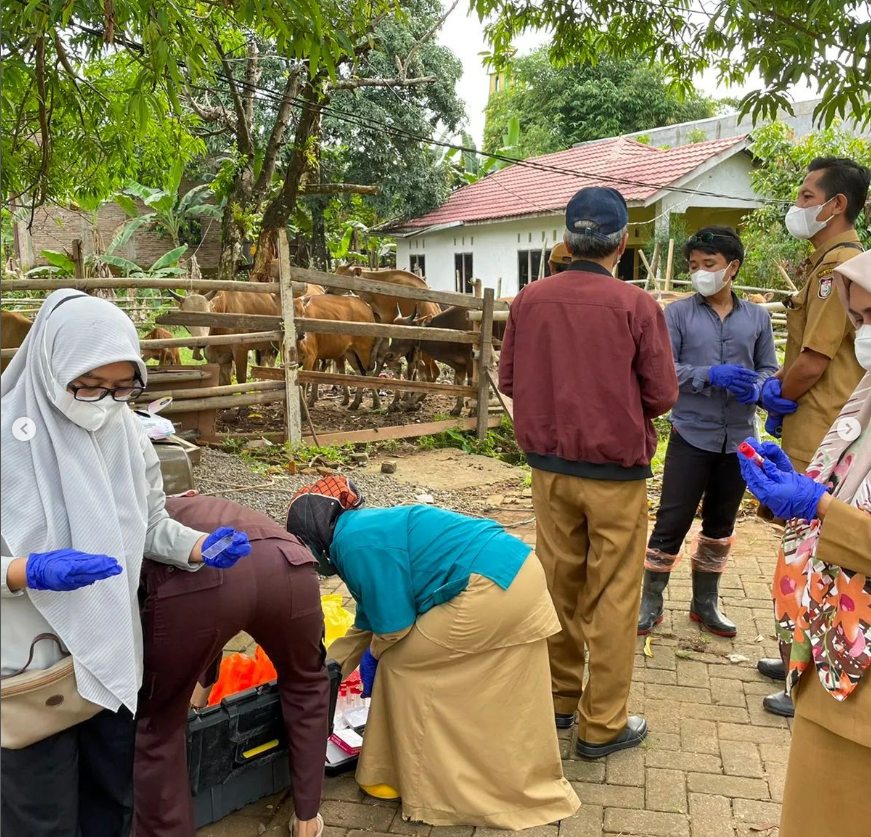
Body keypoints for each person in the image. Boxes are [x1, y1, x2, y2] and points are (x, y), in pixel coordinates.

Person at [1, 290, 250, 837]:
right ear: (51, 364)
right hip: (28, 668)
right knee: (39, 819)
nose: (104, 402)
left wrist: (195, 546)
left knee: (113, 803)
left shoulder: (126, 433)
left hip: (111, 654)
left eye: (121, 387)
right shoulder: (4, 438)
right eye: (89, 385)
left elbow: (150, 522)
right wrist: (25, 571)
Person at [285, 477, 580, 830]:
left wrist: (374, 658)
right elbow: (368, 620)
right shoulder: (363, 527)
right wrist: (323, 670)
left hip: (491, 588)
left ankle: (402, 778)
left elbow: (393, 628)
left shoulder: (351, 546)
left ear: (314, 538)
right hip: (518, 572)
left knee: (399, 665)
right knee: (412, 658)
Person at [499, 186, 678, 753]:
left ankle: (557, 700)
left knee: (557, 584)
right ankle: (602, 725)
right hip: (614, 475)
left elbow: (508, 381)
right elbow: (663, 394)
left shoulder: (529, 300)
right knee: (615, 593)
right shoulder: (637, 307)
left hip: (549, 473)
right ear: (622, 243)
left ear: (567, 239)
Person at [737, 248, 871, 837]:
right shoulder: (869, 390)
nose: (862, 334)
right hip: (834, 638)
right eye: (859, 319)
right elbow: (844, 469)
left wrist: (818, 507)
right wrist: (802, 484)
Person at [133, 494, 330, 837]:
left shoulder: (143, 518)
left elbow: (187, 634)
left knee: (158, 725)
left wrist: (183, 698)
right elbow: (212, 640)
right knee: (307, 682)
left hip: (204, 578)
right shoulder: (195, 503)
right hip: (290, 565)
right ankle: (308, 820)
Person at [757, 157, 869, 718]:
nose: (797, 205)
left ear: (836, 204)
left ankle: (803, 665)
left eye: (806, 195)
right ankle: (796, 647)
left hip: (826, 430)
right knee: (801, 551)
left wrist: (773, 392)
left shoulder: (841, 271)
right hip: (821, 426)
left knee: (808, 553)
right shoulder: (825, 265)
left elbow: (813, 359)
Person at [639, 227, 778, 637]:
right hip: (691, 433)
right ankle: (651, 601)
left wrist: (758, 386)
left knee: (720, 523)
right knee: (672, 520)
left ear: (732, 267)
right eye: (694, 266)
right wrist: (707, 374)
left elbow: (769, 367)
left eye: (709, 264)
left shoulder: (758, 317)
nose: (700, 272)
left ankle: (705, 603)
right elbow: (664, 370)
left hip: (739, 438)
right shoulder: (677, 315)